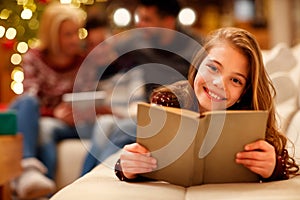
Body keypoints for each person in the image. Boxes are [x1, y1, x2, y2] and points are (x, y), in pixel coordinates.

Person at [114, 27, 299, 182]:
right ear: (198, 64)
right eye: (213, 68)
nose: (219, 83)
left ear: (244, 92)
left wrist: (273, 166)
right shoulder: (168, 101)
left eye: (235, 80)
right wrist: (127, 166)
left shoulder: (249, 119)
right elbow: (139, 158)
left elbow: (287, 167)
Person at [80, 0, 203, 175]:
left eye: (146, 20)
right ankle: (87, 182)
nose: (139, 24)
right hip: (149, 115)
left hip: (185, 118)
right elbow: (105, 63)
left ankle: (90, 184)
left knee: (121, 130)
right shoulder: (136, 41)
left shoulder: (196, 48)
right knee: (110, 126)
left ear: (168, 22)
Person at [9, 2, 89, 199]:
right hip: (43, 119)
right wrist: (55, 114)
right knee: (39, 120)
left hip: (74, 124)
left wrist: (78, 113)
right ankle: (39, 186)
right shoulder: (34, 58)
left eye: (76, 33)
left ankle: (36, 182)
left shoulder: (84, 61)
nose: (74, 40)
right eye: (67, 34)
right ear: (53, 36)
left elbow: (89, 98)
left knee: (47, 127)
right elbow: (31, 99)